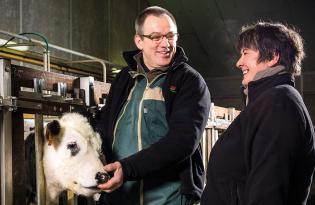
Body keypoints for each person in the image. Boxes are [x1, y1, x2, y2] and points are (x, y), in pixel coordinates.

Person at [96, 6, 210, 205]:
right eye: (156, 37)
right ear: (139, 41)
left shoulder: (189, 81)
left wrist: (128, 168)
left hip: (168, 198)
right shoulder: (125, 78)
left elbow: (183, 141)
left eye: (170, 36)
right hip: (121, 195)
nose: (165, 44)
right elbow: (106, 126)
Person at [201, 21, 315, 205]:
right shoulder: (271, 101)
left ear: (272, 57)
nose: (239, 62)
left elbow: (268, 191)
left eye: (246, 53)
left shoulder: (279, 103)